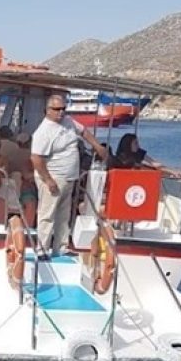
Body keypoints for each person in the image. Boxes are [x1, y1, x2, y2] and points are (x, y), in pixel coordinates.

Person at [31, 93, 109, 256]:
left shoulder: (69, 122)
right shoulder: (43, 132)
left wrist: (97, 146)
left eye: (63, 109)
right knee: (47, 214)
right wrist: (48, 180)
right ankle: (42, 248)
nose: (61, 112)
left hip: (69, 178)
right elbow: (36, 158)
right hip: (53, 177)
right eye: (57, 109)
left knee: (63, 214)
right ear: (47, 110)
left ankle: (61, 247)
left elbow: (84, 132)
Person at [114, 133, 181, 178]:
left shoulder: (139, 152)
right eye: (135, 143)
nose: (138, 145)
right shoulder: (121, 158)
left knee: (154, 169)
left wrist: (172, 171)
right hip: (131, 179)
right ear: (128, 144)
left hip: (144, 177)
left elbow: (154, 163)